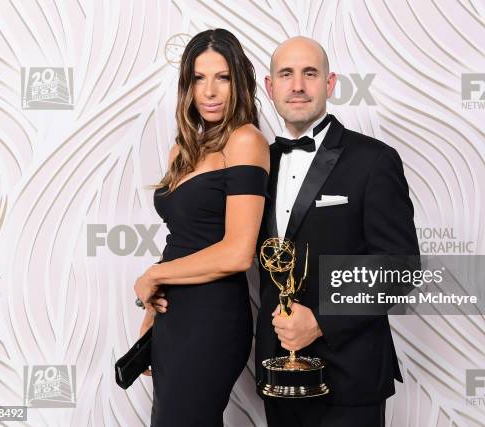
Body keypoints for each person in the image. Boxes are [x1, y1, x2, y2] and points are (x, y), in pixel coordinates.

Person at [256, 36, 419, 427]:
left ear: (329, 84)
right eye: (286, 74)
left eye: (309, 74)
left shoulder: (374, 160)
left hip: (351, 376)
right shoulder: (258, 165)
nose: (297, 85)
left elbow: (400, 267)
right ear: (270, 86)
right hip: (277, 374)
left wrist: (322, 321)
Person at [133, 28, 269, 427]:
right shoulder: (184, 148)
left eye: (222, 77)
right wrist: (151, 314)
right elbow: (182, 238)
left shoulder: (246, 141)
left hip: (212, 317)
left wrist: (153, 274)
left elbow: (238, 251)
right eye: (198, 78)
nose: (209, 91)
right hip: (172, 313)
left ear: (238, 83)